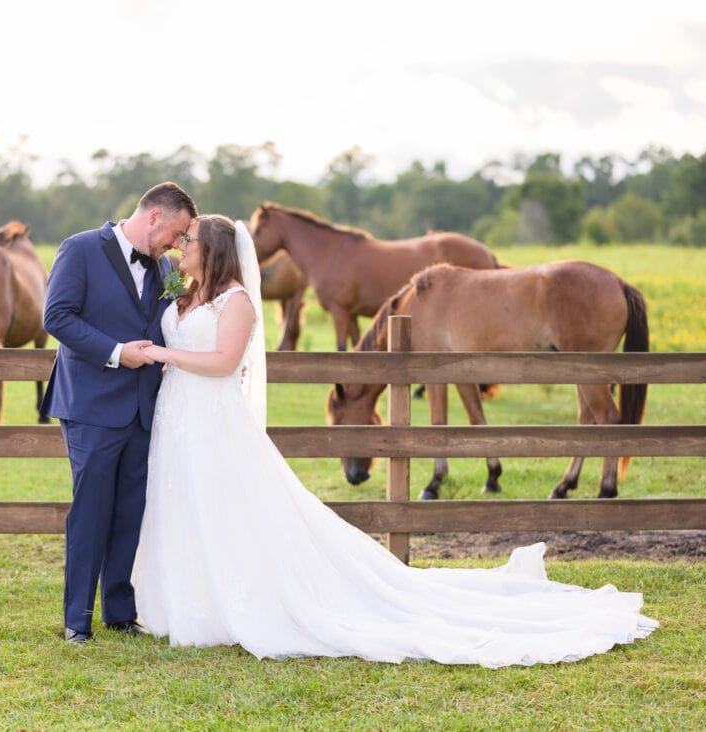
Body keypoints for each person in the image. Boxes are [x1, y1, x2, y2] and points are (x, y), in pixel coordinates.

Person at [132, 213, 658, 666]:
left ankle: (600, 471)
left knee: (598, 406)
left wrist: (163, 356)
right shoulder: (186, 291)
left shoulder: (236, 301)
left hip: (206, 412)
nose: (181, 246)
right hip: (182, 420)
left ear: (215, 251)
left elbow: (225, 361)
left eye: (191, 240)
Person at [41, 182, 197, 643]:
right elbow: (57, 317)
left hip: (145, 408)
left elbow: (168, 322)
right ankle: (76, 621)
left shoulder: (164, 266)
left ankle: (119, 611)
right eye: (177, 232)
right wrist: (115, 352)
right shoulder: (80, 249)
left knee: (132, 510)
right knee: (90, 511)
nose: (178, 243)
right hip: (91, 405)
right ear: (153, 216)